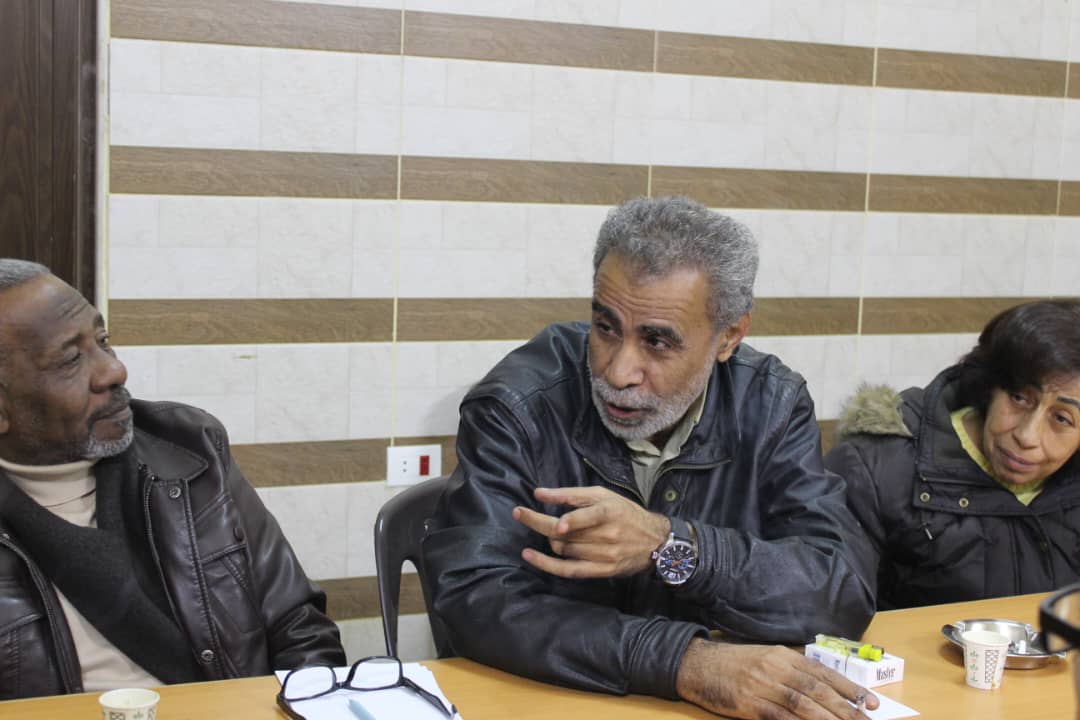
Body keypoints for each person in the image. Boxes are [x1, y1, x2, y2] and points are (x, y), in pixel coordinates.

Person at [423, 197, 879, 720]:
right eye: (606, 327)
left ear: (729, 336)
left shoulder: (770, 404)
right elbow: (475, 600)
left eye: (657, 342)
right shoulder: (518, 405)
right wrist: (682, 661)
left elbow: (838, 593)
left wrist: (672, 546)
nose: (619, 372)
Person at [0, 259, 345, 700]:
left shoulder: (189, 452)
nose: (113, 371)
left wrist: (304, 706)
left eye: (103, 341)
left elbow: (299, 626)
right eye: (71, 359)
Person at [826, 300, 1080, 610]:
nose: (1027, 436)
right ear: (990, 386)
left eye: (1062, 419)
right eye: (1019, 398)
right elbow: (825, 614)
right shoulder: (876, 465)